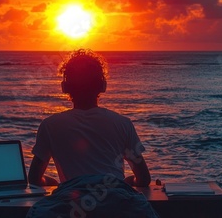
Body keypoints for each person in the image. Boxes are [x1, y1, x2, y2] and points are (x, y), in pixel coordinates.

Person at [28, 49, 151, 187]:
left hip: (73, 202)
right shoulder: (123, 124)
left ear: (65, 87)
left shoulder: (50, 126)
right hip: (115, 201)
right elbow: (144, 179)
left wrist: (54, 183)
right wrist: (127, 182)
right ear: (102, 86)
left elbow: (34, 179)